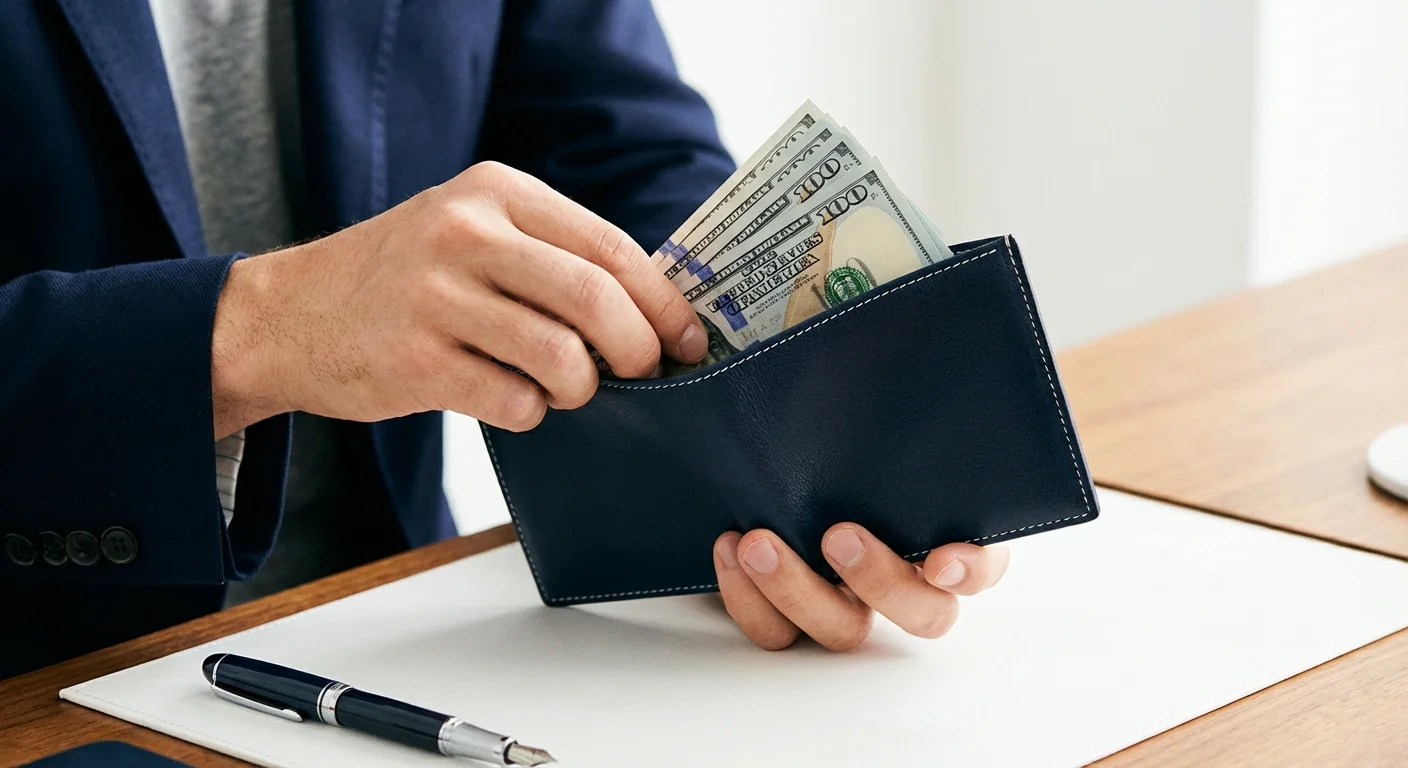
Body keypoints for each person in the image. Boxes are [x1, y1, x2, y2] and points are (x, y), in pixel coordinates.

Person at [0, 0, 1007, 679]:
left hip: (405, 637)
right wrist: (258, 333)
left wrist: (776, 435)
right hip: (47, 682)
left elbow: (618, 152)